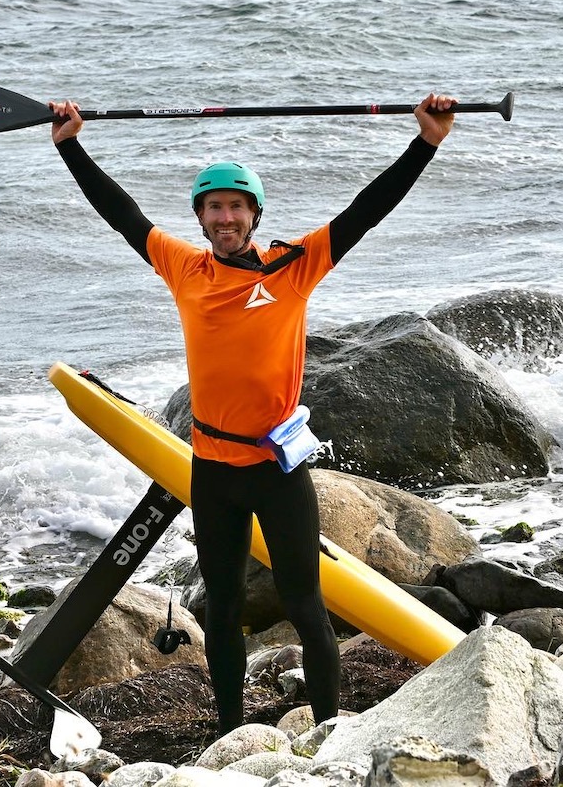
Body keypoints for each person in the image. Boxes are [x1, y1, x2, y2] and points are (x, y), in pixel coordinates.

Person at [48, 93, 456, 735]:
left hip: (275, 468)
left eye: (236, 206)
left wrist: (425, 142)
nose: (225, 216)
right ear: (202, 218)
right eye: (214, 207)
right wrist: (70, 144)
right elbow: (122, 215)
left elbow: (366, 212)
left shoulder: (293, 267)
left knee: (304, 602)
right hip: (212, 470)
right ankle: (231, 729)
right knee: (224, 606)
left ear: (254, 213)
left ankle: (328, 728)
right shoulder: (183, 268)